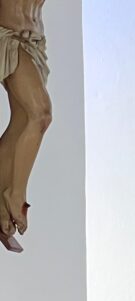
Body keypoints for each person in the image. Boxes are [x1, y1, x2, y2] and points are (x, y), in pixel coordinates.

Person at [0, 0, 50, 252]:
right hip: (7, 36)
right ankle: (15, 194)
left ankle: (0, 204)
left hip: (33, 41)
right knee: (40, 114)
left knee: (21, 120)